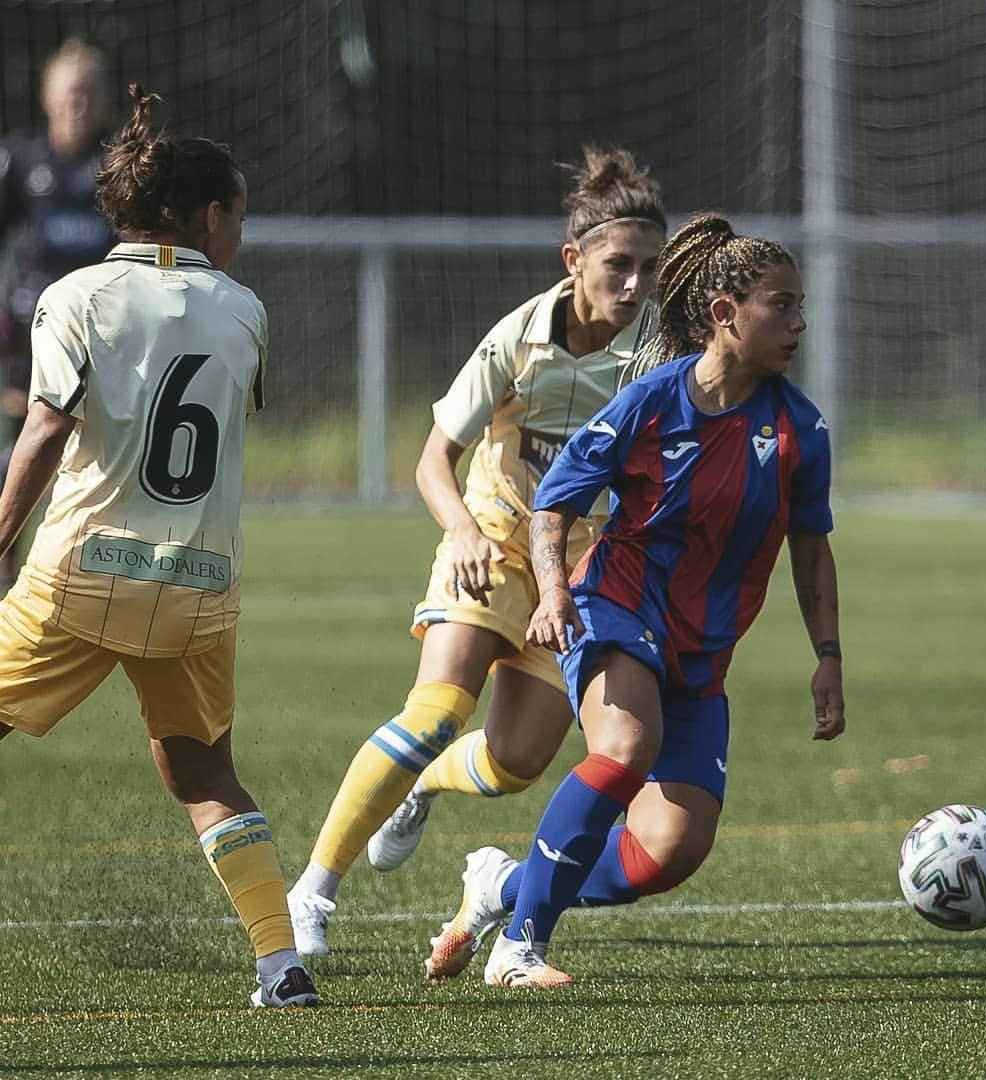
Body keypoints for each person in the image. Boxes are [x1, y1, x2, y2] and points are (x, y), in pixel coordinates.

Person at [427, 213, 847, 988]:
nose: (799, 322)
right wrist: (553, 597)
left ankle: (500, 886)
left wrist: (828, 658)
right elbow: (553, 506)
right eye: (781, 305)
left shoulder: (801, 430)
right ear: (725, 315)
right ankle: (520, 949)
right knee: (624, 747)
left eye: (798, 305)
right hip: (616, 607)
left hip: (702, 649)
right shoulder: (651, 404)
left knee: (668, 851)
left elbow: (811, 549)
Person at [287, 147, 667, 957]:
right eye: (617, 265)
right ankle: (312, 891)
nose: (633, 285)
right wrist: (459, 527)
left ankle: (419, 784)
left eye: (647, 267)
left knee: (516, 762)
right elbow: (433, 458)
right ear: (575, 260)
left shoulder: (654, 357)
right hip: (493, 537)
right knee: (435, 711)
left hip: (576, 569)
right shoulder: (518, 337)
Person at [0, 85, 317, 1008]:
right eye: (238, 215)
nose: (241, 233)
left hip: (83, 572)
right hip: (199, 585)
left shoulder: (74, 295)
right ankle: (280, 967)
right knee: (204, 771)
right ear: (204, 215)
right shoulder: (244, 311)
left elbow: (47, 431)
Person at [0, 39, 116, 585]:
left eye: (89, 94)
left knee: (91, 464)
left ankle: (83, 575)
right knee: (18, 458)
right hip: (29, 341)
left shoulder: (116, 164)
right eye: (70, 93)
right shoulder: (20, 160)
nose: (79, 104)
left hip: (102, 340)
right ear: (47, 97)